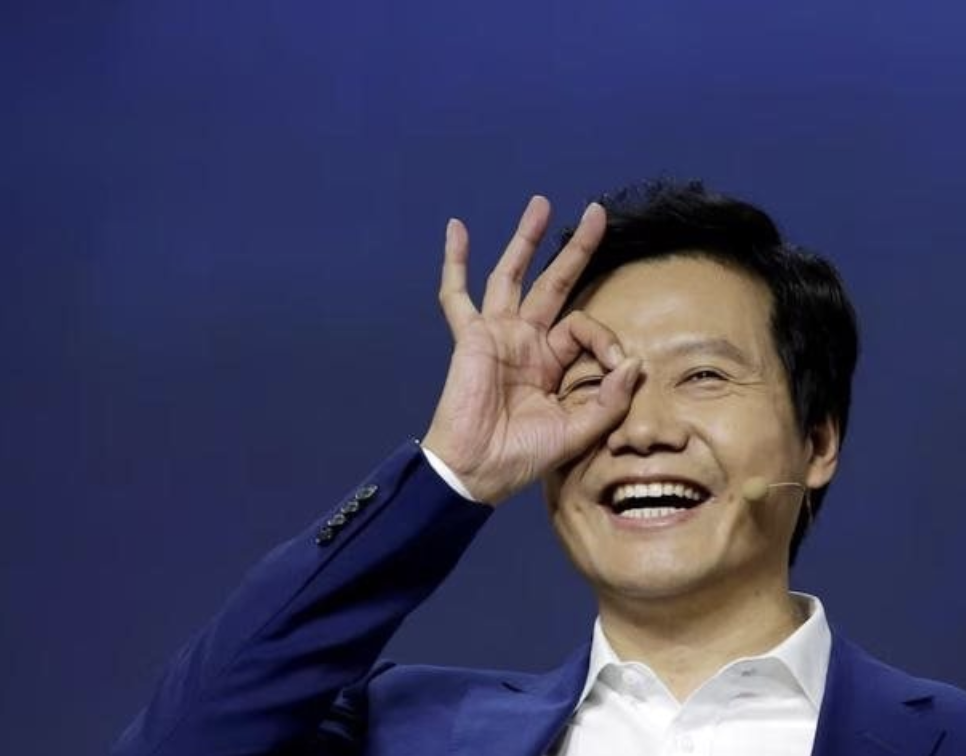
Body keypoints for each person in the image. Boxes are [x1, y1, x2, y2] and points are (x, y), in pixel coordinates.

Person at [112, 181, 966, 756]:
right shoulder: (400, 729)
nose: (643, 429)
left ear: (817, 442)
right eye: (593, 385)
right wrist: (451, 473)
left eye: (704, 376)